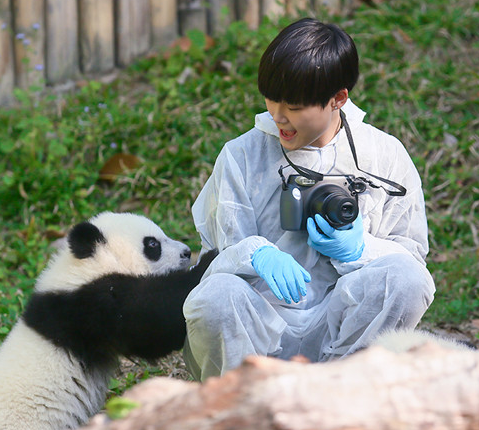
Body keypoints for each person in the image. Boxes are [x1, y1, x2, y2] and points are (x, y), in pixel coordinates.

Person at [182, 18, 435, 382]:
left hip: (344, 327)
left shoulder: (382, 155)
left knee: (406, 278)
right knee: (217, 296)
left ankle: (343, 395)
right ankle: (243, 408)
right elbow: (218, 257)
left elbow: (411, 257)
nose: (279, 116)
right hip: (258, 328)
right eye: (271, 99)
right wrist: (256, 253)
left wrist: (360, 249)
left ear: (338, 99)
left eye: (296, 107)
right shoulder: (243, 154)